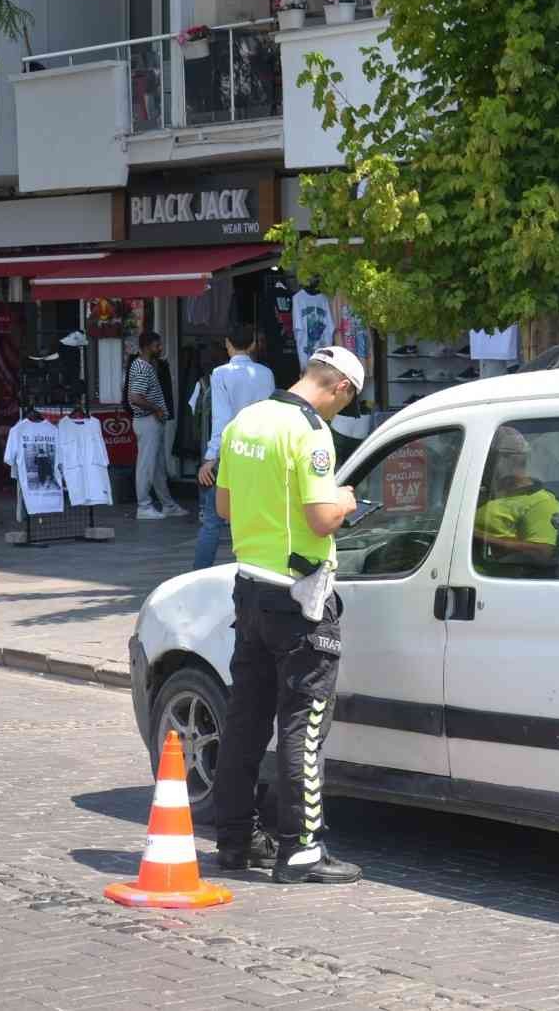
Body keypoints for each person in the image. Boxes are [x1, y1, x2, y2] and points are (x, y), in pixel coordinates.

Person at [212, 345, 363, 885]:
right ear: (341, 387)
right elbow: (322, 517)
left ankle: (233, 839)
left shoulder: (245, 420)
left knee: (245, 719)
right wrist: (345, 500)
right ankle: (301, 850)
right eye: (347, 403)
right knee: (304, 723)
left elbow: (225, 508)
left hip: (250, 587)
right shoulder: (310, 430)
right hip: (301, 597)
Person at [191, 325, 275, 570]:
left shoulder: (220, 374)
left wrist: (210, 456)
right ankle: (257, 567)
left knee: (212, 521)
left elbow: (222, 418)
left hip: (229, 451)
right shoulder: (266, 374)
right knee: (257, 517)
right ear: (252, 345)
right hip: (261, 451)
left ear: (228, 344)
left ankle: (199, 573)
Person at [471, 425, 559, 569]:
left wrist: (478, 537)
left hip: (497, 580)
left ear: (510, 459)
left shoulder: (541, 501)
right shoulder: (484, 494)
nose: (484, 467)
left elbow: (542, 552)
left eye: (488, 460)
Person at [127, 332, 188, 520]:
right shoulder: (142, 367)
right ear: (146, 346)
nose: (160, 349)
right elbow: (135, 397)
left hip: (151, 421)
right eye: (157, 345)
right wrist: (156, 409)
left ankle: (167, 504)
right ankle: (143, 506)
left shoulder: (145, 366)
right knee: (146, 465)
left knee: (158, 466)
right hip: (148, 421)